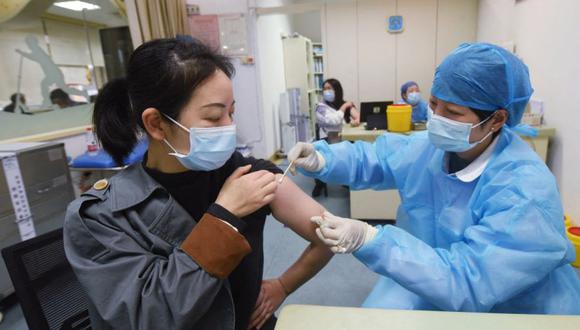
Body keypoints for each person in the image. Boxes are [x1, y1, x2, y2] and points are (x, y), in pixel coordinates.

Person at [288, 43, 580, 314]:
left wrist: (372, 239)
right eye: (434, 103)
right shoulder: (432, 147)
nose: (436, 118)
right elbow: (376, 158)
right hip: (429, 270)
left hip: (513, 304)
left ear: (497, 119)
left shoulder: (525, 190)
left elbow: (470, 281)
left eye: (452, 111)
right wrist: (323, 158)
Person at [63, 37, 333, 330]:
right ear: (156, 123)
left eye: (231, 113)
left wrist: (282, 285)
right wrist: (225, 216)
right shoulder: (101, 216)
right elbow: (149, 318)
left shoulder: (249, 175)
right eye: (214, 117)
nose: (228, 128)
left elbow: (330, 236)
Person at [311, 78, 360, 197]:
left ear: (337, 90)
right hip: (327, 140)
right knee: (319, 155)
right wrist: (344, 108)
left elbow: (357, 116)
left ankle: (347, 179)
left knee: (355, 152)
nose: (327, 91)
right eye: (325, 89)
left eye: (330, 88)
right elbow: (333, 121)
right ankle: (320, 183)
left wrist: (357, 120)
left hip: (344, 139)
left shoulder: (345, 103)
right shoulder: (321, 107)